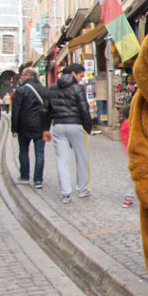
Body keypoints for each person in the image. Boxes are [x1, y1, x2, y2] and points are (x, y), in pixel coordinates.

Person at [42, 63, 92, 204]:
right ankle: (81, 189)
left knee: (62, 160)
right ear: (73, 74)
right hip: (75, 125)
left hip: (58, 126)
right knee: (81, 157)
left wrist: (45, 129)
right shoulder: (77, 88)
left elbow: (45, 110)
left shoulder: (51, 88)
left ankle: (66, 194)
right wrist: (88, 127)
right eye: (81, 76)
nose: (81, 79)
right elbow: (84, 108)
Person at [10, 68, 48, 189]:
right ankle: (38, 180)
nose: (21, 77)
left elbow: (16, 111)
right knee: (40, 153)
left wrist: (14, 129)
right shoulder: (44, 90)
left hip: (24, 125)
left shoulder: (21, 90)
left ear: (27, 75)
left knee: (24, 151)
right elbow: (49, 109)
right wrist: (47, 127)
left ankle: (25, 177)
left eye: (22, 75)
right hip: (40, 126)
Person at [119, 105, 135, 208]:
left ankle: (128, 197)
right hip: (139, 153)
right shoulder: (134, 125)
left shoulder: (124, 125)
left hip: (130, 154)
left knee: (132, 176)